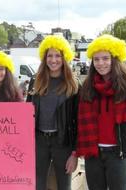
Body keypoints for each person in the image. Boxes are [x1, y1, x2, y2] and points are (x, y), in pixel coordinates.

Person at [77, 34, 126, 190]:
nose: (101, 63)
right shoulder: (87, 88)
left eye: (105, 58)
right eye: (96, 59)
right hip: (93, 154)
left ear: (114, 59)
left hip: (119, 155)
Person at [27, 35, 79, 190]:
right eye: (50, 55)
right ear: (45, 58)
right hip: (39, 141)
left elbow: (78, 121)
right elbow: (27, 115)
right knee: (37, 185)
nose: (53, 60)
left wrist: (75, 153)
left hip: (63, 142)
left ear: (64, 58)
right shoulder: (35, 80)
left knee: (64, 186)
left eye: (58, 56)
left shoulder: (73, 84)